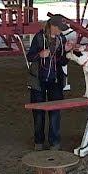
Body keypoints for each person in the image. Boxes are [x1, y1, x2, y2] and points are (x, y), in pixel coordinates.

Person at [26, 14, 73, 150]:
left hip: (55, 79)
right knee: (38, 112)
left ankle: (54, 142)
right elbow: (30, 57)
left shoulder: (61, 39)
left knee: (55, 112)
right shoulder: (39, 37)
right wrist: (40, 54)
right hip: (38, 80)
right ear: (52, 26)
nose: (61, 31)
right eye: (59, 28)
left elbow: (63, 61)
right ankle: (39, 141)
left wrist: (67, 52)